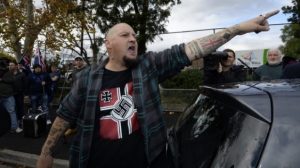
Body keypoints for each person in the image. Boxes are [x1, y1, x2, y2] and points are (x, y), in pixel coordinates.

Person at [37, 10, 279, 168]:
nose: (133, 38)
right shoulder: (87, 78)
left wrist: (237, 29)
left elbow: (192, 49)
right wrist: (46, 153)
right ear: (108, 44)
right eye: (125, 35)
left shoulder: (148, 66)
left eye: (134, 35)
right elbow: (64, 116)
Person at [0, 61, 23, 133]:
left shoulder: (9, 72)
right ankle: (14, 127)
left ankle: (14, 127)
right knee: (11, 112)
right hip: (4, 95)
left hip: (8, 95)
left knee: (12, 111)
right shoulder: (8, 72)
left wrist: (2, 79)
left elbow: (13, 80)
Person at [8, 61, 27, 128]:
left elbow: (25, 84)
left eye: (12, 65)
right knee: (12, 109)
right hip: (10, 95)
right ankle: (13, 123)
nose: (10, 66)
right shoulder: (7, 74)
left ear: (16, 66)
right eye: (9, 65)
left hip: (19, 94)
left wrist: (24, 94)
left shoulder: (22, 74)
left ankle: (21, 122)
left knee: (20, 108)